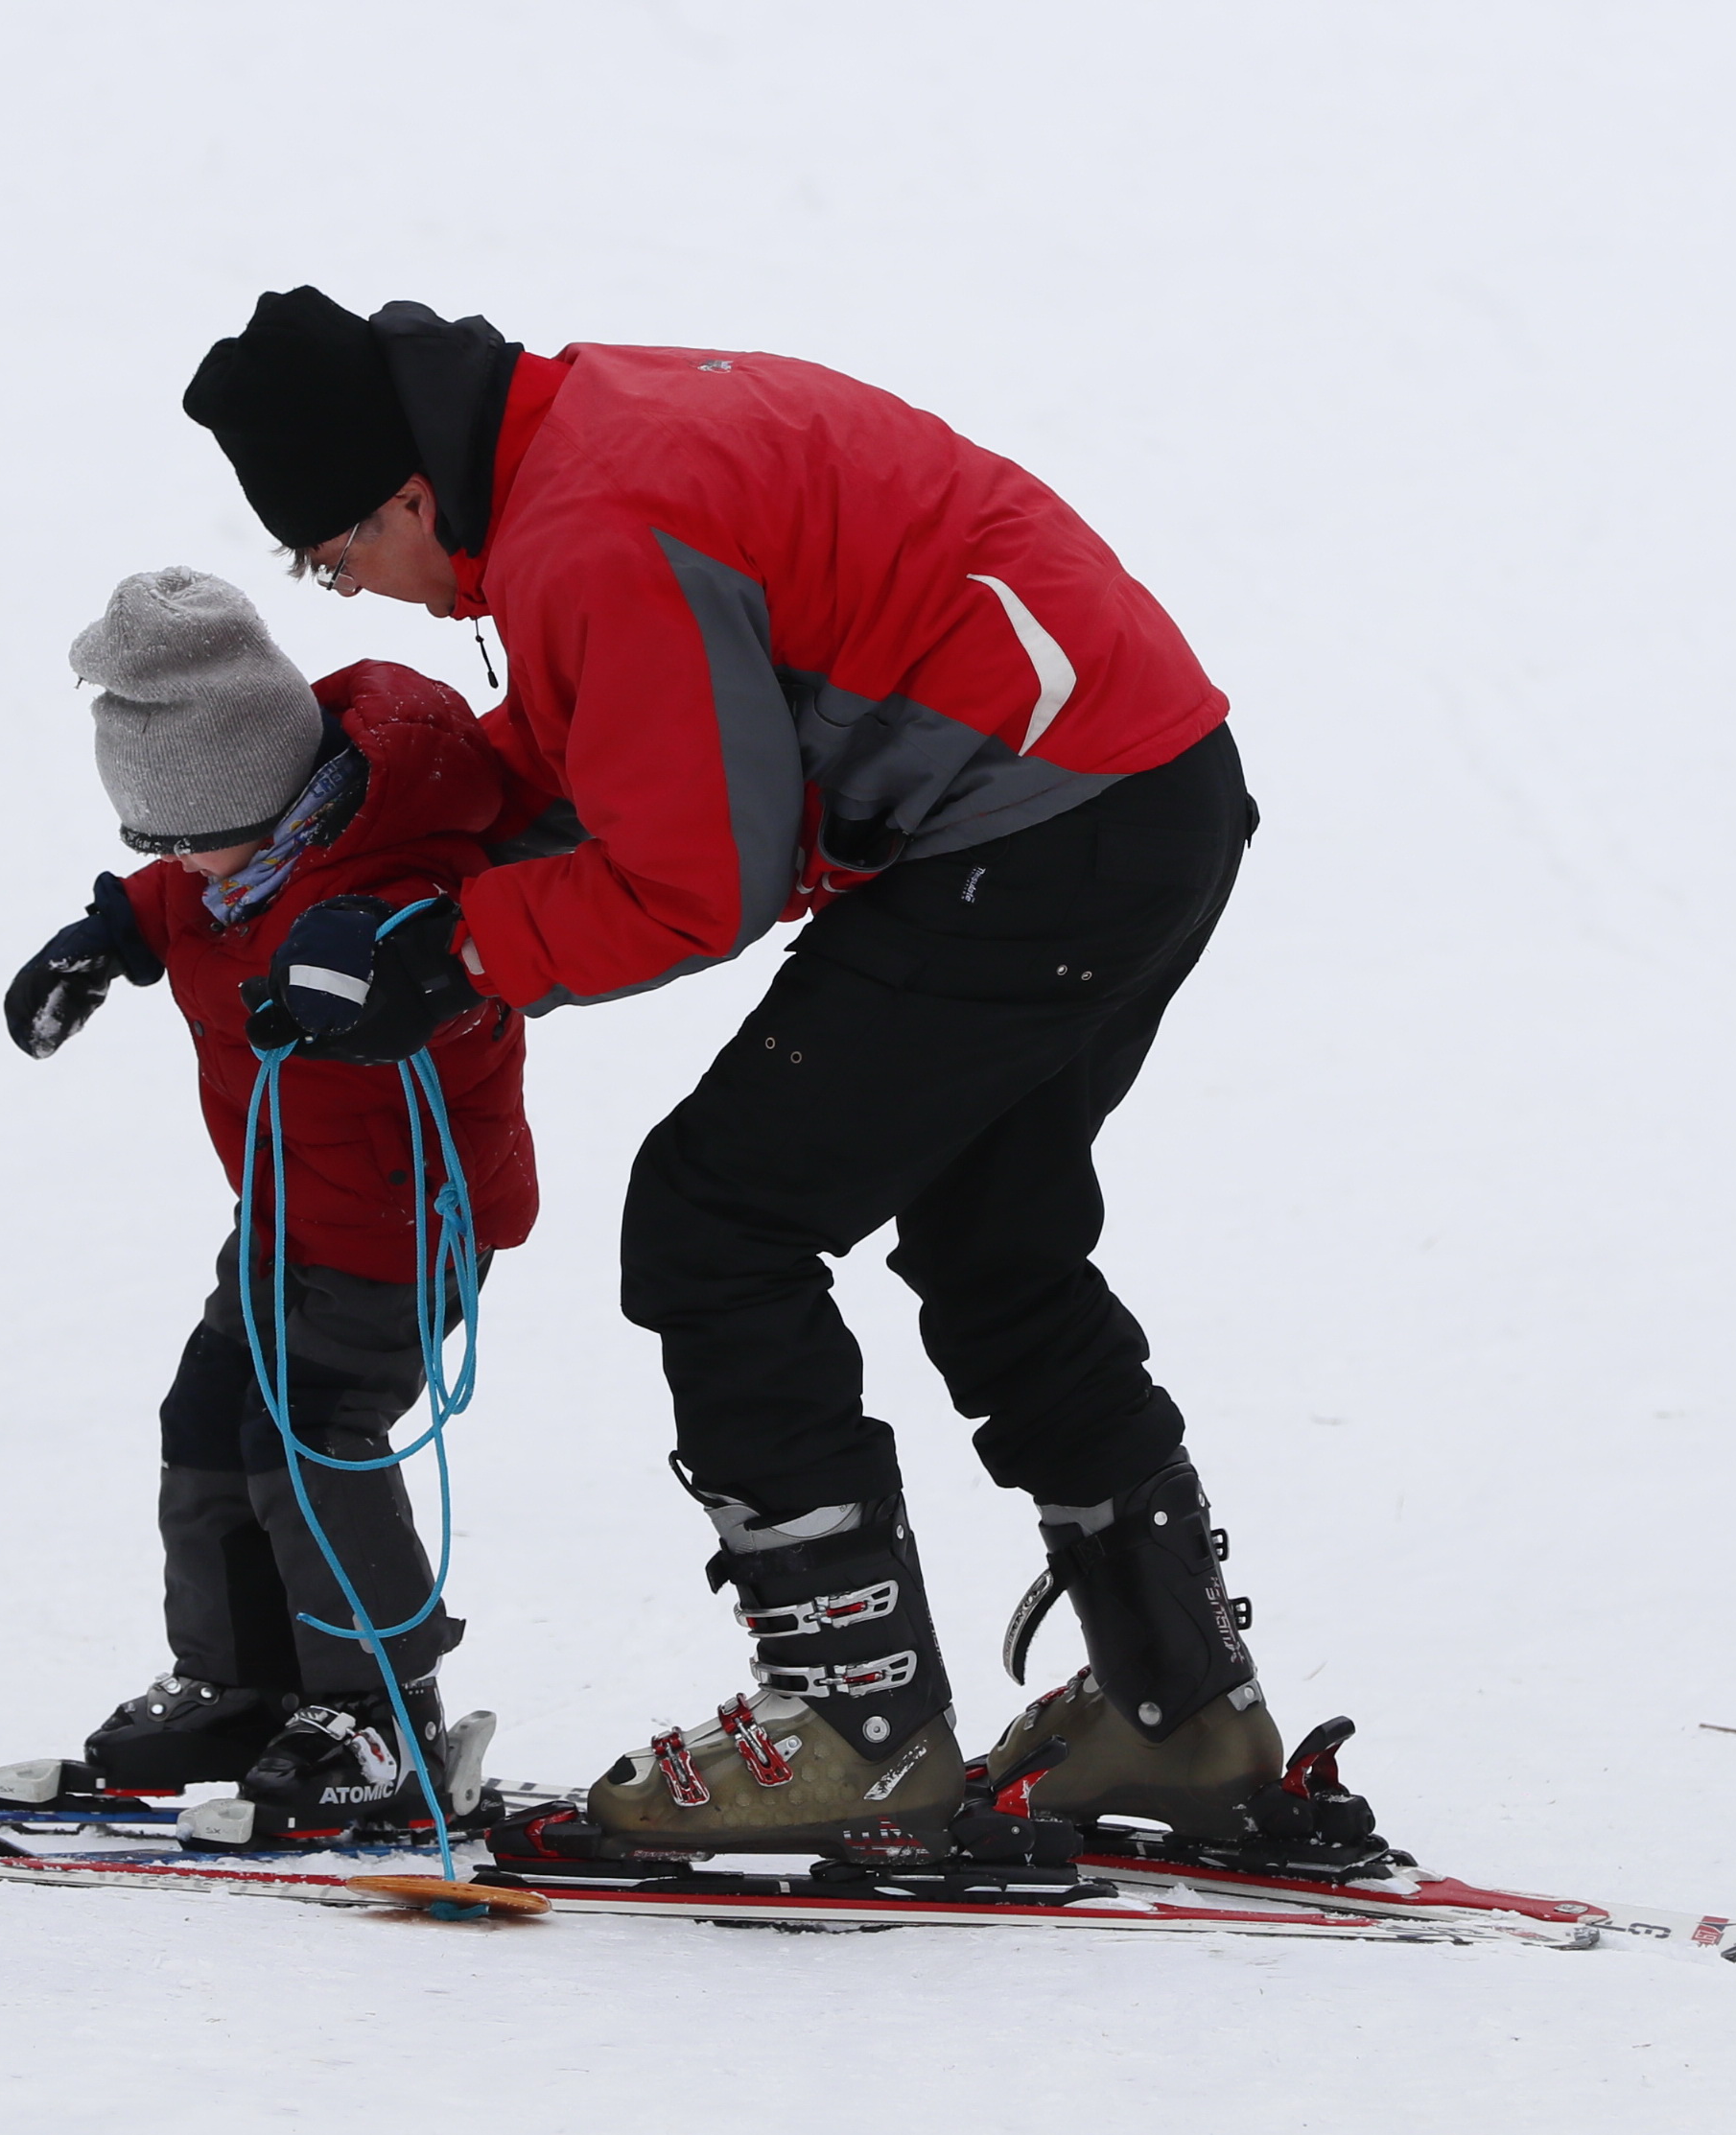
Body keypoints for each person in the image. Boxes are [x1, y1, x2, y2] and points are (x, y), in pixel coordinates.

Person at [181, 288, 1281, 1862]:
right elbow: (633, 734)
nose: (359, 593)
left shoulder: (589, 531)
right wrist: (419, 865)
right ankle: (1186, 1715)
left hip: (1038, 834)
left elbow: (694, 874)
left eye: (340, 557)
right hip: (1148, 793)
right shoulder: (584, 438)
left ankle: (854, 1725)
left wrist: (453, 955)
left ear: (408, 493)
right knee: (994, 1248)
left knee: (716, 1224)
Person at [0, 566, 538, 1846]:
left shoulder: (404, 873)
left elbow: (474, 967)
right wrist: (107, 934)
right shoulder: (233, 862)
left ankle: (380, 1712)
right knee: (210, 1419)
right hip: (287, 1218)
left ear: (268, 790)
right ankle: (248, 1684)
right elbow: (190, 892)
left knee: (311, 1436)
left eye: (190, 837)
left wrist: (393, 975)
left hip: (404, 1229)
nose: (179, 868)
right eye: (153, 845)